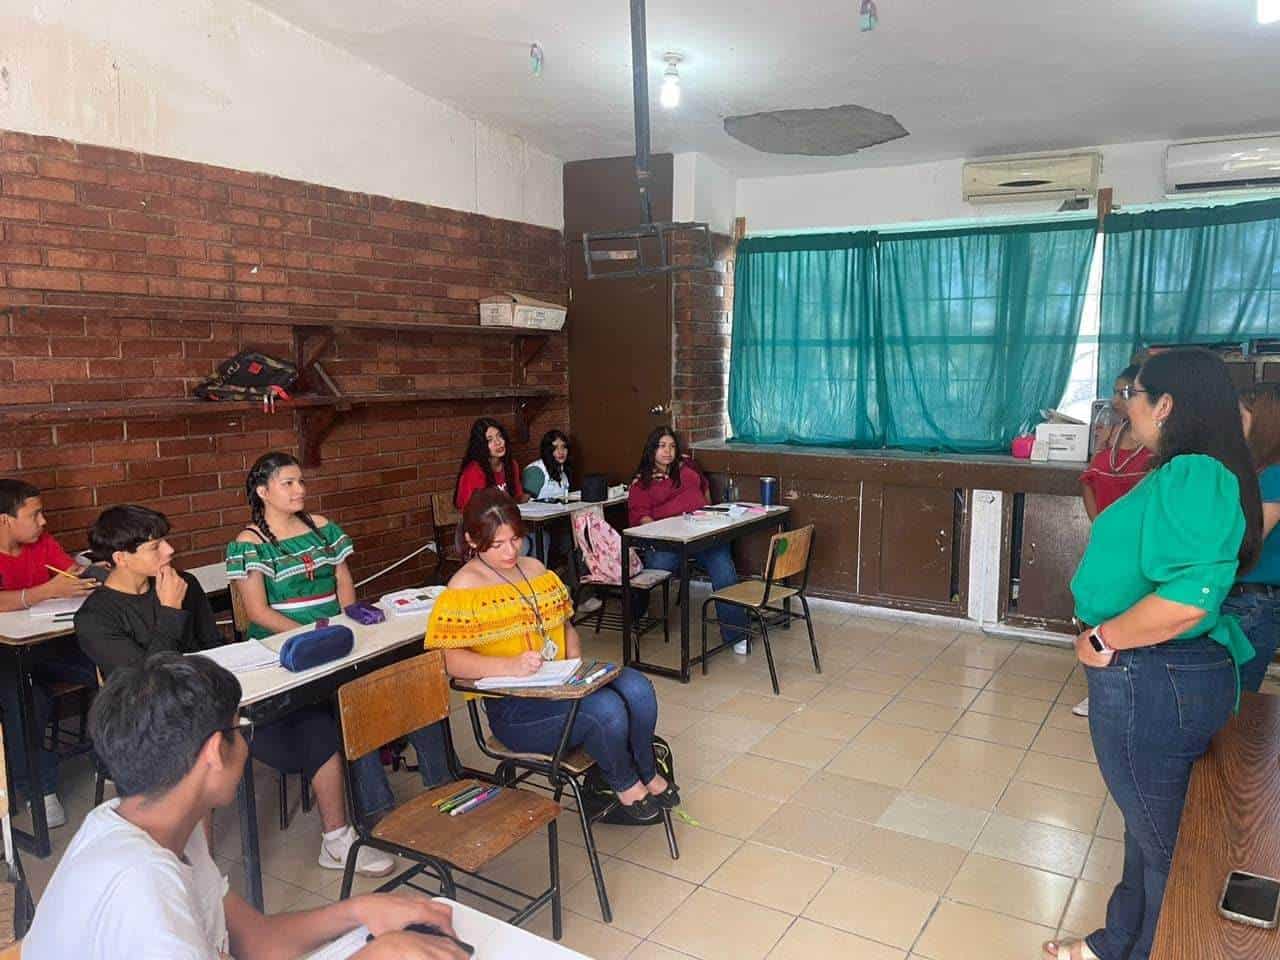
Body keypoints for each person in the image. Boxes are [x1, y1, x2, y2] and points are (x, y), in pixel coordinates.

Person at [22, 652, 467, 960]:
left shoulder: (155, 823)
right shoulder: (142, 889)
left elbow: (255, 940)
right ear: (216, 751)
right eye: (243, 730)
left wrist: (360, 911)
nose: (248, 746)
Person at [1045, 348, 1261, 960]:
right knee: (1143, 830)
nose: (1125, 404)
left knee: (1169, 851)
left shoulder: (1196, 472)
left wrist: (1104, 638)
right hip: (1157, 672)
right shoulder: (1202, 468)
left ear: (1165, 404)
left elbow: (1189, 600)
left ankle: (1152, 949)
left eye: (1131, 393)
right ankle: (1119, 940)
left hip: (1152, 676)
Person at [74, 504, 394, 878]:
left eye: (166, 542)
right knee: (191, 755)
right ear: (120, 558)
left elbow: (213, 645)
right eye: (155, 547)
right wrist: (169, 612)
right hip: (156, 723)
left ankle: (337, 839)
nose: (169, 552)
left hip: (215, 700)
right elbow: (149, 682)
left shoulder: (185, 584)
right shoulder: (96, 617)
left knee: (314, 720)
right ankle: (197, 873)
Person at [225, 452, 452, 829]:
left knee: (409, 678)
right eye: (289, 483)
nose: (300, 490)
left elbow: (342, 577)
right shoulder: (249, 542)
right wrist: (313, 634)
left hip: (339, 631)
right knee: (352, 700)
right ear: (264, 492)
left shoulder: (320, 526)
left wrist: (351, 617)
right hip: (290, 644)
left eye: (301, 481)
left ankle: (441, 781)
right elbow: (257, 612)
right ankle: (378, 805)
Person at [426, 489, 677, 821]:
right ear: (472, 540)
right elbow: (451, 662)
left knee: (637, 688)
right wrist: (511, 666)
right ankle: (624, 784)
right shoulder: (462, 588)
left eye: (515, 539)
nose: (510, 551)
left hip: (560, 685)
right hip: (516, 710)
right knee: (606, 709)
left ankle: (646, 769)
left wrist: (573, 663)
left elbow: (566, 627)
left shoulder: (535, 569)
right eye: (497, 544)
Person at [0, 478, 98, 829]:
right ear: (4, 520)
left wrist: (80, 579)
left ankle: (115, 762)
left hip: (49, 644)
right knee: (28, 699)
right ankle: (38, 789)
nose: (43, 522)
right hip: (6, 657)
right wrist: (46, 590)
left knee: (108, 668)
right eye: (35, 514)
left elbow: (67, 572)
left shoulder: (42, 543)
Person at [1073, 365, 1155, 718]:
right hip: (1107, 536)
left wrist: (1119, 528)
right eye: (1118, 391)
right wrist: (1101, 523)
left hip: (1136, 542)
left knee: (1130, 612)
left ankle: (1128, 690)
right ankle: (1100, 689)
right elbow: (1089, 480)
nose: (1117, 399)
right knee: (1095, 610)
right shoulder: (1111, 430)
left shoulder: (1158, 444)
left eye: (1127, 392)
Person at [627, 427, 749, 653]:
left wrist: (709, 514)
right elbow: (641, 518)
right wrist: (665, 532)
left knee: (722, 563)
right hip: (668, 544)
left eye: (672, 446)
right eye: (662, 446)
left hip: (700, 535)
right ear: (651, 450)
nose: (668, 452)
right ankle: (635, 609)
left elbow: (704, 491)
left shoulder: (686, 469)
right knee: (653, 570)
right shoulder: (642, 483)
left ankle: (736, 633)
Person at [1223, 381, 1280, 693]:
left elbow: (1249, 538)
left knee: (1236, 696)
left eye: (1240, 419)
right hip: (1238, 593)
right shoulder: (1254, 471)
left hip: (1253, 600)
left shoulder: (1274, 475)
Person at [454, 417, 526, 510]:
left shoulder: (512, 464)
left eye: (499, 436)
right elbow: (469, 511)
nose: (498, 442)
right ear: (481, 445)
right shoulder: (473, 472)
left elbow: (517, 497)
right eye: (490, 440)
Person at [522, 429, 572, 501]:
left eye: (564, 447)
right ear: (547, 450)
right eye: (555, 448)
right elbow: (523, 504)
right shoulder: (536, 471)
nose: (561, 452)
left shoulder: (562, 469)